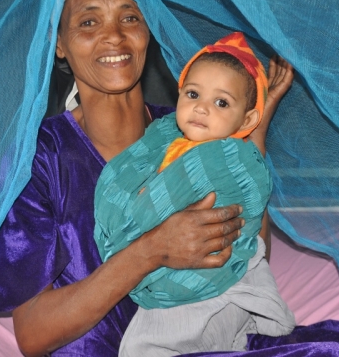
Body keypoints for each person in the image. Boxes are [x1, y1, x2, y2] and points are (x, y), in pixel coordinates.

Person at [0, 0, 339, 357]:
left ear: (148, 32)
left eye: (130, 17)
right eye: (88, 22)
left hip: (224, 337)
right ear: (59, 44)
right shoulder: (38, 162)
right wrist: (150, 251)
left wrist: (251, 141)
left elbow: (250, 250)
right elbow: (33, 335)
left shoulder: (193, 126)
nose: (114, 35)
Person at [94, 32, 295, 356]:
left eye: (221, 102)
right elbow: (152, 193)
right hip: (172, 269)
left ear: (246, 120)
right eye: (193, 94)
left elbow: (249, 187)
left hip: (217, 273)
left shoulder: (228, 157)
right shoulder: (165, 142)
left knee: (149, 344)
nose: (201, 109)